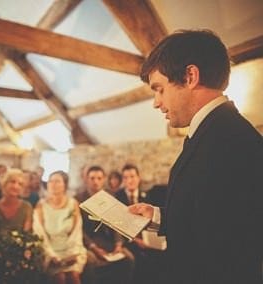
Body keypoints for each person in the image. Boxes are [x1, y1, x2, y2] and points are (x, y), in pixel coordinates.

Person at [128, 29, 263, 283]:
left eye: (159, 89)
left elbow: (225, 248)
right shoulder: (212, 130)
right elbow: (209, 217)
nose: (156, 102)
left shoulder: (230, 140)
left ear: (190, 76)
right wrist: (158, 217)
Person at [75, 166, 134, 284]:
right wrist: (93, 247)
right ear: (86, 179)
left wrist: (118, 244)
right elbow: (79, 229)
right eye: (92, 178)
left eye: (99, 178)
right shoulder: (78, 199)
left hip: (108, 241)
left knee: (129, 258)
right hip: (89, 242)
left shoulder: (109, 197)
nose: (95, 181)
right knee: (90, 261)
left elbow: (116, 222)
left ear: (103, 180)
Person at [33, 171, 87, 284]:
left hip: (70, 249)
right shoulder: (41, 205)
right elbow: (40, 235)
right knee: (59, 278)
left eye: (57, 181)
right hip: (50, 250)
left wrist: (72, 254)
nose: (53, 184)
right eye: (50, 181)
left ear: (65, 185)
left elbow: (76, 232)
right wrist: (52, 256)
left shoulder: (73, 204)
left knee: (74, 277)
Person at [0, 168, 33, 237]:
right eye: (12, 182)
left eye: (20, 184)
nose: (16, 186)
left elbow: (26, 236)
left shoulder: (27, 207)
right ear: (4, 183)